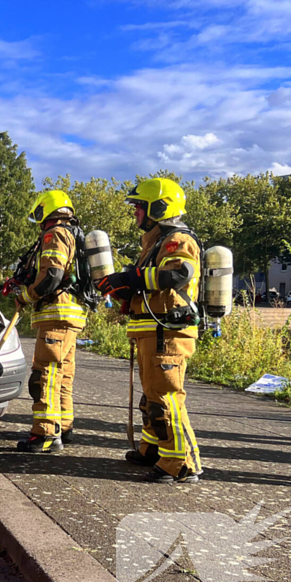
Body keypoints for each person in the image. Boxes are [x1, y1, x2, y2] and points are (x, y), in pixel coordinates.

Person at [96, 178, 203, 484]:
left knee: (166, 398)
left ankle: (181, 463)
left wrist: (131, 279)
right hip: (151, 332)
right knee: (152, 398)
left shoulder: (177, 240)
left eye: (139, 207)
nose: (135, 214)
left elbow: (177, 275)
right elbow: (147, 286)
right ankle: (154, 449)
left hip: (167, 333)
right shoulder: (155, 243)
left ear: (158, 207)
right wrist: (123, 289)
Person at [13, 190, 87, 453]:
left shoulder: (54, 234)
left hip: (56, 313)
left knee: (45, 375)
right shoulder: (73, 234)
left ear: (46, 211)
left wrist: (26, 295)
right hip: (72, 314)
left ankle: (45, 434)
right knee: (63, 375)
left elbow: (52, 276)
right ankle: (63, 426)